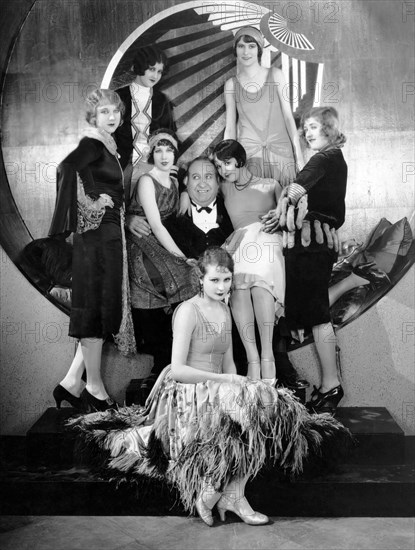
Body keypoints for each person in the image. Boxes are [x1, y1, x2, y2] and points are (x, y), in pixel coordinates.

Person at [68, 247, 351, 526]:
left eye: (227, 279)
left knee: (266, 406)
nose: (221, 286)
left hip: (217, 389)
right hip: (188, 391)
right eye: (214, 280)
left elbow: (228, 362)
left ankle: (232, 495)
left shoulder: (226, 312)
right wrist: (227, 383)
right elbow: (178, 369)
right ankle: (220, 493)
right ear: (200, 279)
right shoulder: (187, 311)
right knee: (244, 414)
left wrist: (237, 387)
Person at [48, 88, 130, 412]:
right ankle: (94, 388)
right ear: (93, 118)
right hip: (96, 236)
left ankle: (71, 382)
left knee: (101, 307)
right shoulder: (93, 144)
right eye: (104, 112)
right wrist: (90, 203)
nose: (112, 118)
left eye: (116, 112)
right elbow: (65, 168)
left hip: (107, 236)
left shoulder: (107, 146)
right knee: (95, 311)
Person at [262, 106, 348, 414]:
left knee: (317, 315)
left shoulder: (323, 158)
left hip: (312, 244)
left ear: (329, 128)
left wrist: (278, 212)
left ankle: (331, 384)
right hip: (318, 242)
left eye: (313, 127)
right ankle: (329, 384)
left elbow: (296, 189)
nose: (308, 133)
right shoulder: (334, 159)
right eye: (306, 128)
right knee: (315, 313)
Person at [211, 139, 286, 385]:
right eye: (219, 167)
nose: (224, 171)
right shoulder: (223, 188)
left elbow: (291, 216)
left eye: (228, 164)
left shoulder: (271, 185)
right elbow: (197, 186)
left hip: (267, 242)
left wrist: (283, 217)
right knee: (238, 287)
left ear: (240, 161)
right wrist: (181, 194)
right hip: (240, 244)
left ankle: (268, 357)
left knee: (259, 284)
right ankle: (253, 360)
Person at [127, 129, 197, 376]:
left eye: (169, 150)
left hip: (163, 240)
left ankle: (175, 361)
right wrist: (179, 256)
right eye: (159, 150)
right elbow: (155, 224)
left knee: (191, 277)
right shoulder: (147, 180)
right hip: (145, 242)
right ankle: (162, 364)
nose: (164, 155)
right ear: (151, 154)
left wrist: (186, 193)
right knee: (174, 275)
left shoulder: (175, 181)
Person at [224, 26, 304, 185]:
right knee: (257, 205)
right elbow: (230, 127)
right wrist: (226, 162)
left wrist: (299, 155)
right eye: (241, 46)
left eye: (251, 46)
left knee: (285, 204)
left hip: (281, 153)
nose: (246, 52)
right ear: (236, 50)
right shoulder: (231, 85)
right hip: (250, 156)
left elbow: (288, 118)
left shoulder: (276, 75)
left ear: (259, 49)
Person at [115, 44, 176, 204]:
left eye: (159, 71)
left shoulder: (162, 101)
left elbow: (170, 139)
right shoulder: (118, 97)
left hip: (153, 169)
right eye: (151, 69)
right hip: (121, 169)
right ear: (140, 66)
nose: (155, 75)